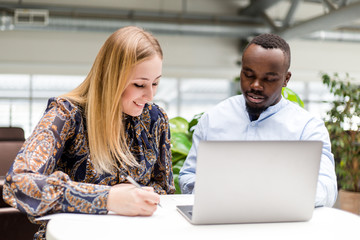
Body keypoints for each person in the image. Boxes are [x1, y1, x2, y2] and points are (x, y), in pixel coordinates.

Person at [2, 26, 175, 239]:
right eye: (139, 84)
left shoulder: (156, 119)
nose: (150, 95)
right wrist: (109, 198)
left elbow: (164, 189)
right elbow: (18, 183)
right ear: (112, 78)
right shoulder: (65, 114)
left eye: (156, 83)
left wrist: (142, 197)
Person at [179, 33, 337, 208]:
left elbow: (327, 188)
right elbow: (188, 175)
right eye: (248, 75)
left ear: (286, 79)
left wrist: (273, 195)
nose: (255, 85)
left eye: (268, 79)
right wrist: (212, 192)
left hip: (281, 222)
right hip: (220, 219)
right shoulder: (213, 119)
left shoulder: (307, 128)